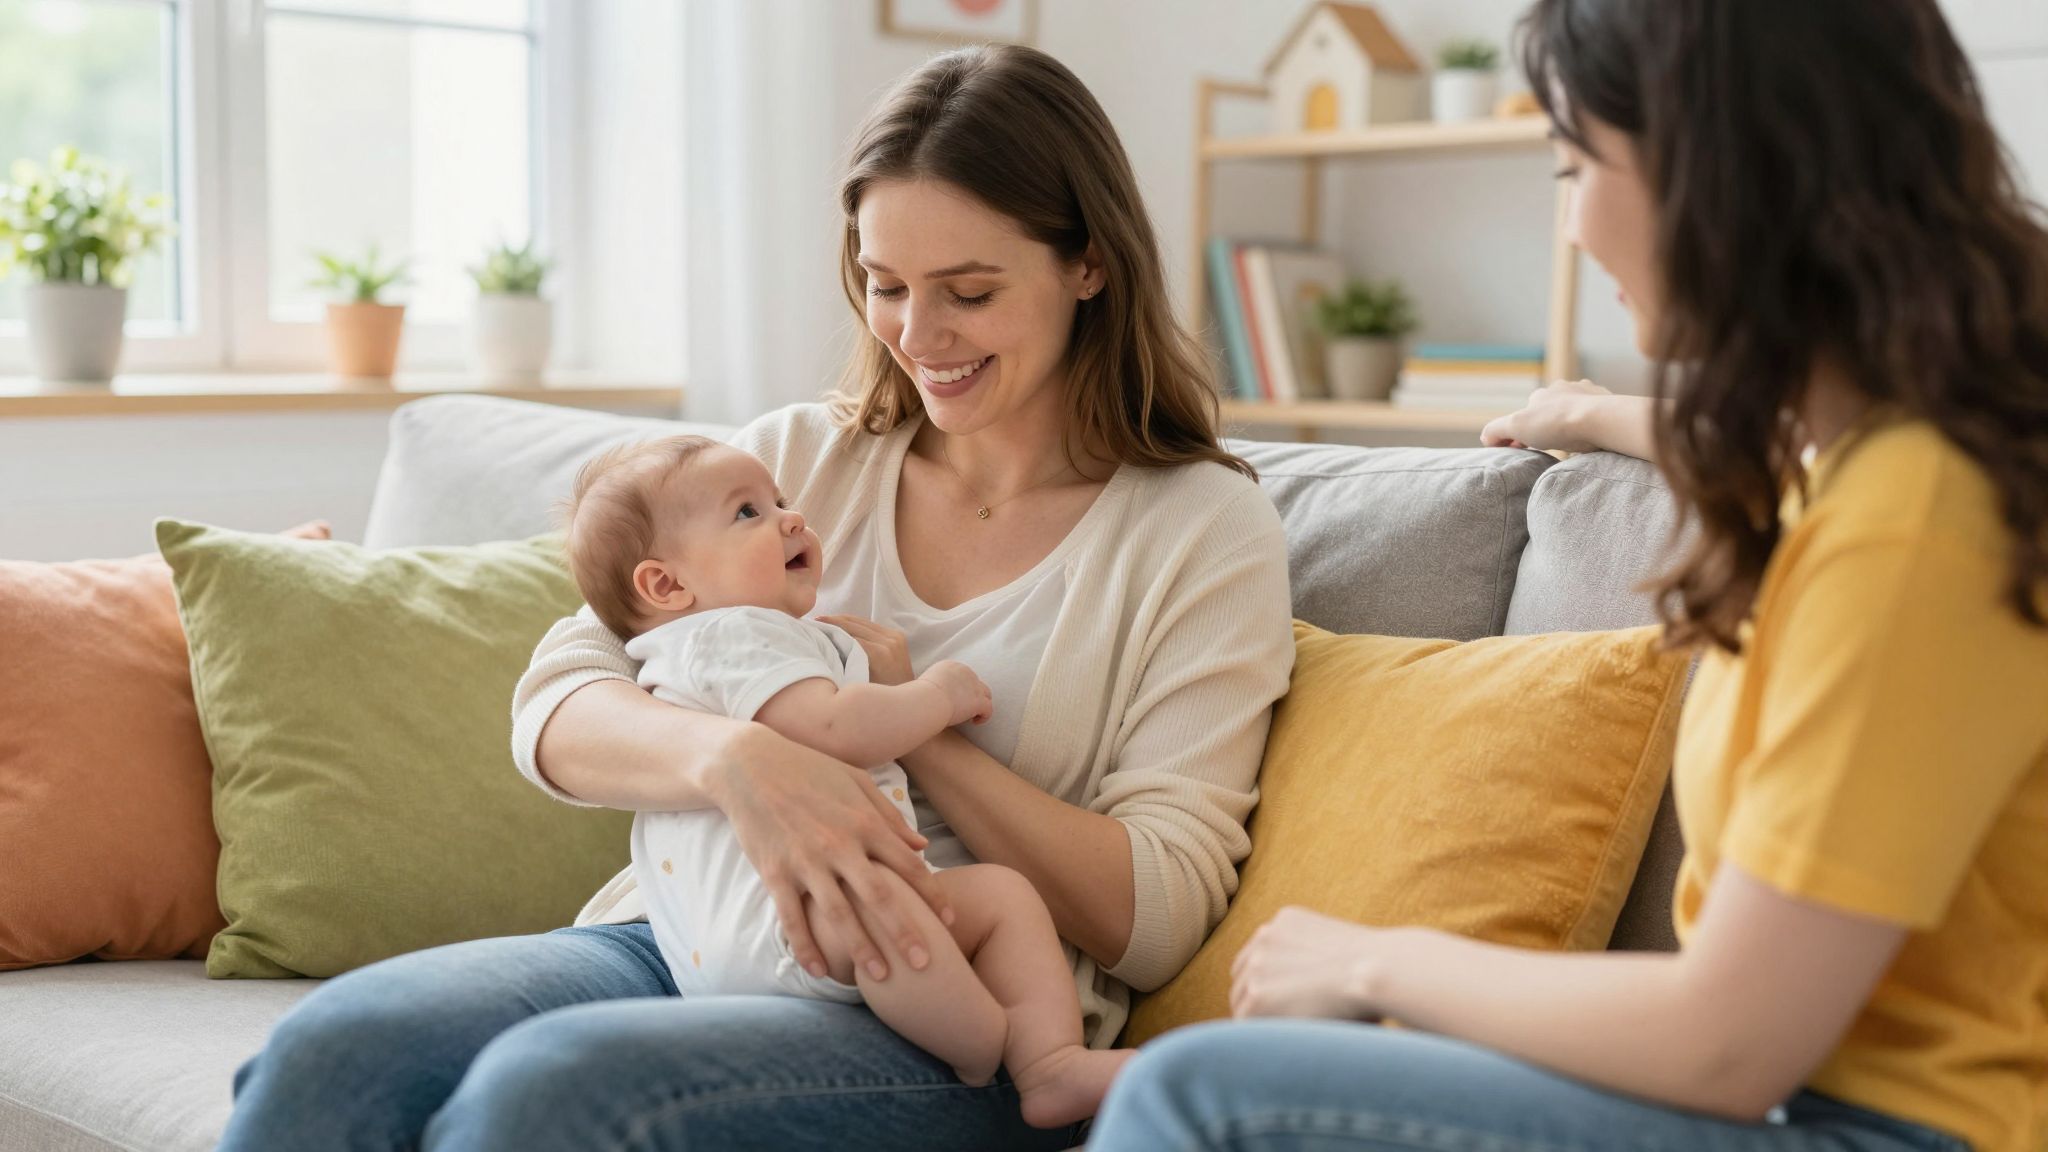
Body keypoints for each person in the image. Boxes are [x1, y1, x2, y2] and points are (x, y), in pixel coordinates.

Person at [219, 42, 1293, 1152]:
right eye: (884, 287)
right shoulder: (792, 463)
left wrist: (912, 733)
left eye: (967, 293)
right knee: (336, 1047)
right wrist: (740, 762)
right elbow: (557, 697)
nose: (917, 339)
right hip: (676, 936)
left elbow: (1155, 917)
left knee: (560, 1088)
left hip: (940, 998)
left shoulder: (1196, 530)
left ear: (1087, 266)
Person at [1092, 1, 2048, 1150]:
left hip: (1884, 1130)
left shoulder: (1905, 527)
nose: (1571, 227)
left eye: (1573, 165)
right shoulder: (1863, 467)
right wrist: (1592, 413)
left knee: (1192, 1096)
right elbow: (1759, 452)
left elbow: (1729, 1041)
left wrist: (1373, 960)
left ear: (1718, 176)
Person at [557, 433, 1129, 1128]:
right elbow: (834, 726)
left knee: (997, 898)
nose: (790, 518)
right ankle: (995, 1049)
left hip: (720, 945)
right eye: (747, 514)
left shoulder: (700, 648)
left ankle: (1046, 1070)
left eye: (781, 501)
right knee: (885, 903)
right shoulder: (731, 636)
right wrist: (938, 696)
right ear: (667, 585)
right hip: (794, 917)